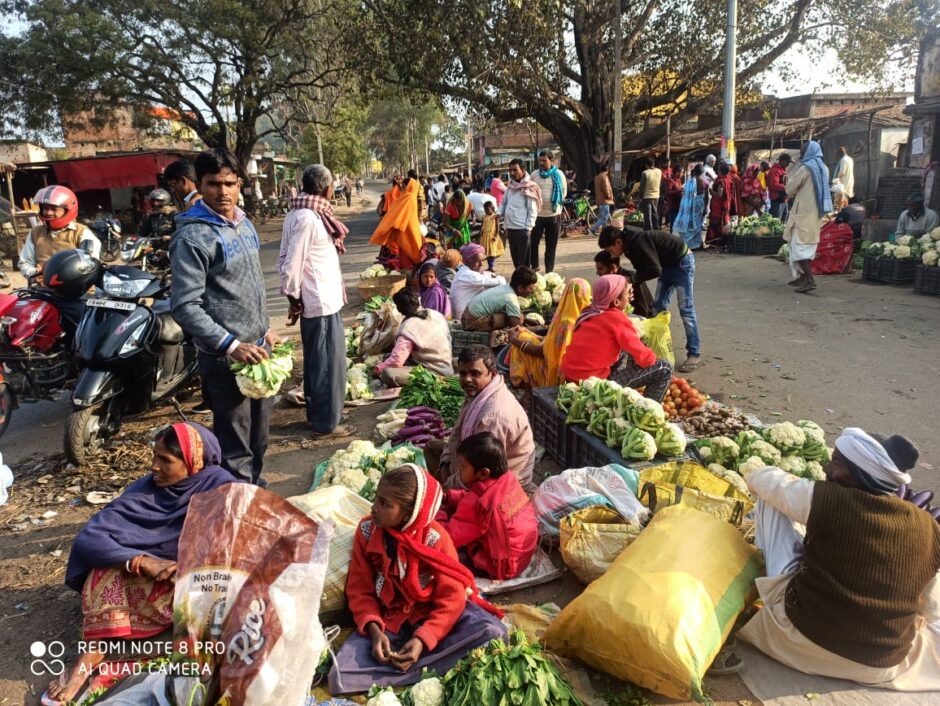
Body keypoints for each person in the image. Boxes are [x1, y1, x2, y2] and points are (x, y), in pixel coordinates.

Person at [737, 428, 940, 691]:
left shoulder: (827, 499)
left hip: (798, 644)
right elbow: (931, 610)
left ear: (860, 473)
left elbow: (761, 478)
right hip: (880, 667)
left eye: (837, 463)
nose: (826, 468)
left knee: (769, 501)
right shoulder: (929, 528)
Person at [50, 423, 237, 703]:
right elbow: (90, 538)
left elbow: (245, 539)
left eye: (166, 460)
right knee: (103, 567)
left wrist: (188, 566)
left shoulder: (223, 489)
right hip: (146, 586)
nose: (154, 467)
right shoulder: (145, 490)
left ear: (192, 463)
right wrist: (142, 562)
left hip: (187, 589)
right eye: (154, 457)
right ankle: (91, 655)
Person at [331, 464, 507, 694]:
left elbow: (452, 598)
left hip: (430, 615)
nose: (374, 508)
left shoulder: (435, 539)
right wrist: (375, 632)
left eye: (385, 504)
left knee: (493, 632)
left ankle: (410, 666)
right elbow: (359, 590)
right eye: (376, 499)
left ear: (409, 513)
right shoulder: (367, 530)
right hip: (391, 621)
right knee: (339, 677)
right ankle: (432, 665)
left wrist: (424, 639)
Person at [171, 148, 279, 485]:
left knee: (259, 440)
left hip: (260, 351)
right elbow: (185, 306)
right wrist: (231, 344)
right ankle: (237, 516)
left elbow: (251, 283)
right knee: (235, 449)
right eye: (213, 183)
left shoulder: (244, 224)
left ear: (240, 184)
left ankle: (253, 497)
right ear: (199, 185)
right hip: (225, 358)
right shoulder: (191, 236)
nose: (223, 192)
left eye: (230, 183)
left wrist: (265, 328)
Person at [277, 163, 353, 441]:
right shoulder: (307, 218)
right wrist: (293, 296)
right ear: (327, 188)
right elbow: (291, 264)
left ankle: (319, 416)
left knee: (318, 362)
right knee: (326, 365)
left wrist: (294, 297)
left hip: (322, 301)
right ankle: (325, 424)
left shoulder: (303, 214)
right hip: (319, 302)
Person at [436, 346, 536, 494]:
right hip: (473, 463)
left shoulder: (493, 418)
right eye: (463, 373)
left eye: (475, 373)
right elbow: (456, 433)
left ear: (492, 373)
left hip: (498, 484)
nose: (467, 379)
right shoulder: (479, 393)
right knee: (433, 447)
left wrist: (448, 485)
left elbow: (479, 470)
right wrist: (445, 464)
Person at [599, 226, 701, 372]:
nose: (611, 255)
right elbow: (642, 271)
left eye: (610, 251)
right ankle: (658, 347)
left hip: (682, 263)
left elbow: (654, 270)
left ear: (618, 242)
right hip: (666, 265)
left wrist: (630, 280)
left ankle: (694, 353)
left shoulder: (639, 242)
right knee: (657, 308)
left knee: (686, 310)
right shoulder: (628, 248)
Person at [439, 432, 538, 580]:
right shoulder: (507, 481)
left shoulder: (476, 504)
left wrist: (436, 513)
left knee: (443, 555)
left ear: (483, 473)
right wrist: (448, 498)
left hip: (503, 568)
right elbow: (474, 498)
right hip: (523, 556)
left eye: (463, 466)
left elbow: (449, 536)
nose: (458, 470)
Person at [560, 275, 672, 402]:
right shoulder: (616, 319)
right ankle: (648, 412)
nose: (630, 294)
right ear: (616, 302)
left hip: (570, 376)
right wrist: (652, 358)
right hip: (593, 384)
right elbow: (644, 357)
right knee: (664, 368)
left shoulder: (590, 311)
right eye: (627, 292)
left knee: (623, 350)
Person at [508, 277, 592, 389]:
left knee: (521, 336)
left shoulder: (565, 322)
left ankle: (524, 382)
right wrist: (531, 332)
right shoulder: (590, 319)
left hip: (556, 375)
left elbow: (542, 352)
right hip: (581, 373)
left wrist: (515, 341)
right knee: (524, 334)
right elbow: (554, 343)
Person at [374, 287, 453, 387]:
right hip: (447, 365)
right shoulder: (436, 314)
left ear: (399, 309)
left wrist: (378, 369)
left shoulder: (407, 327)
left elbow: (396, 361)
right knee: (387, 358)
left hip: (432, 373)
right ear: (417, 301)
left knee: (387, 373)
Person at [18, 185, 100, 279]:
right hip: (41, 287)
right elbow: (25, 262)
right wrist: (35, 273)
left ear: (67, 210)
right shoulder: (36, 232)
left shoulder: (82, 233)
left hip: (75, 289)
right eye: (45, 208)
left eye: (54, 209)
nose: (48, 213)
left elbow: (91, 265)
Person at [783, 140, 832, 294]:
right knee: (804, 246)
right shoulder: (824, 168)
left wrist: (788, 182)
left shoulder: (807, 168)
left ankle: (810, 280)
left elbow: (790, 189)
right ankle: (802, 278)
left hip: (803, 213)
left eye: (803, 152)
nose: (802, 155)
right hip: (815, 214)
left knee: (798, 248)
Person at [370, 174, 424, 269]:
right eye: (401, 187)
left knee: (412, 254)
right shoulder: (410, 196)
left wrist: (386, 223)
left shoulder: (408, 197)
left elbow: (398, 216)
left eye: (403, 187)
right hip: (408, 230)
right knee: (411, 255)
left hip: (407, 231)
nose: (402, 189)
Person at [462, 266, 538, 331]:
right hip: (470, 323)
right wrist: (537, 329)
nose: (533, 290)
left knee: (516, 314)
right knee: (510, 319)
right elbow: (517, 327)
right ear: (520, 288)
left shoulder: (505, 287)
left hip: (465, 316)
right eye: (530, 288)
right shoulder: (511, 299)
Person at [499, 158, 541, 268]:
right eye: (510, 170)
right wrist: (498, 213)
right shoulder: (510, 186)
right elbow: (503, 203)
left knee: (524, 263)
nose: (512, 173)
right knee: (516, 261)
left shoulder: (529, 187)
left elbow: (533, 210)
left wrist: (528, 228)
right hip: (510, 228)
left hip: (522, 229)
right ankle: (519, 283)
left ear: (523, 170)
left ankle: (525, 284)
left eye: (515, 170)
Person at [530, 150, 567, 272]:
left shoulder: (559, 174)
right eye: (539, 161)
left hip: (553, 215)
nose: (541, 163)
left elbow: (564, 192)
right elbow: (529, 191)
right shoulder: (534, 175)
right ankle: (535, 267)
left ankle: (549, 271)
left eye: (544, 160)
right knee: (533, 243)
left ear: (551, 160)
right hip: (537, 215)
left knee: (551, 246)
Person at [449, 244, 506, 320]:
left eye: (482, 260)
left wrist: (490, 275)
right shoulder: (467, 274)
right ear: (468, 260)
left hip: (465, 313)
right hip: (462, 318)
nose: (481, 264)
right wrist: (497, 277)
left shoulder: (466, 270)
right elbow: (501, 282)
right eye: (477, 261)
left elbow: (486, 275)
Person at [592, 251, 653, 317]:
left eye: (600, 269)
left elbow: (643, 309)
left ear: (613, 267)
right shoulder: (610, 283)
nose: (597, 273)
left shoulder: (631, 278)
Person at [672, 165, 707, 250]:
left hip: (689, 207)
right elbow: (705, 196)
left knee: (689, 226)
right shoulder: (704, 181)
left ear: (694, 172)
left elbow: (685, 195)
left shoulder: (689, 182)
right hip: (698, 206)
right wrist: (705, 207)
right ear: (702, 173)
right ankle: (697, 244)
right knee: (697, 225)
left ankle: (688, 244)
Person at [706, 163, 733, 248]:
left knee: (716, 223)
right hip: (725, 204)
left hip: (719, 205)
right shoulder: (727, 178)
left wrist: (710, 191)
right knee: (723, 222)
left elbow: (719, 194)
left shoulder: (721, 181)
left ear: (720, 171)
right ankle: (722, 242)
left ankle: (716, 242)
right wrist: (710, 177)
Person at [591, 159, 615, 235]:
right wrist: (609, 197)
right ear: (607, 170)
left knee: (602, 217)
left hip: (599, 199)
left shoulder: (597, 177)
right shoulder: (604, 177)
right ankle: (593, 228)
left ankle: (605, 232)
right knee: (604, 217)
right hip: (605, 200)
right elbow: (606, 188)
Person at [479, 201, 504, 271]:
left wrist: (496, 235)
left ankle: (491, 266)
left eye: (487, 209)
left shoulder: (495, 217)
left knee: (492, 252)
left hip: (492, 237)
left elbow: (497, 226)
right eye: (485, 210)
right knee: (486, 252)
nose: (486, 211)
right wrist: (481, 232)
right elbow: (482, 225)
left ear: (492, 208)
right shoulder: (483, 217)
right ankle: (488, 266)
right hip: (485, 236)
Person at [639, 158, 663, 231]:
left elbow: (642, 186)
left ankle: (649, 232)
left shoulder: (645, 173)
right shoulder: (659, 171)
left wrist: (641, 196)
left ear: (646, 165)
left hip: (647, 197)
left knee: (648, 217)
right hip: (656, 196)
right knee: (654, 214)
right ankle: (656, 229)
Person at [767, 153, 792, 221]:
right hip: (777, 201)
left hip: (783, 200)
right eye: (787, 162)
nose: (788, 164)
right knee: (776, 221)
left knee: (783, 220)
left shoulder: (782, 170)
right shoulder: (775, 171)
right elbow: (774, 184)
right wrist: (787, 187)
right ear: (782, 161)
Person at [664, 163, 685, 229]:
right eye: (681, 172)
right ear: (676, 172)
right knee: (673, 226)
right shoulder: (670, 181)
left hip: (679, 206)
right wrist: (678, 191)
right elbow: (667, 193)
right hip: (672, 206)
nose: (682, 174)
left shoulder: (678, 180)